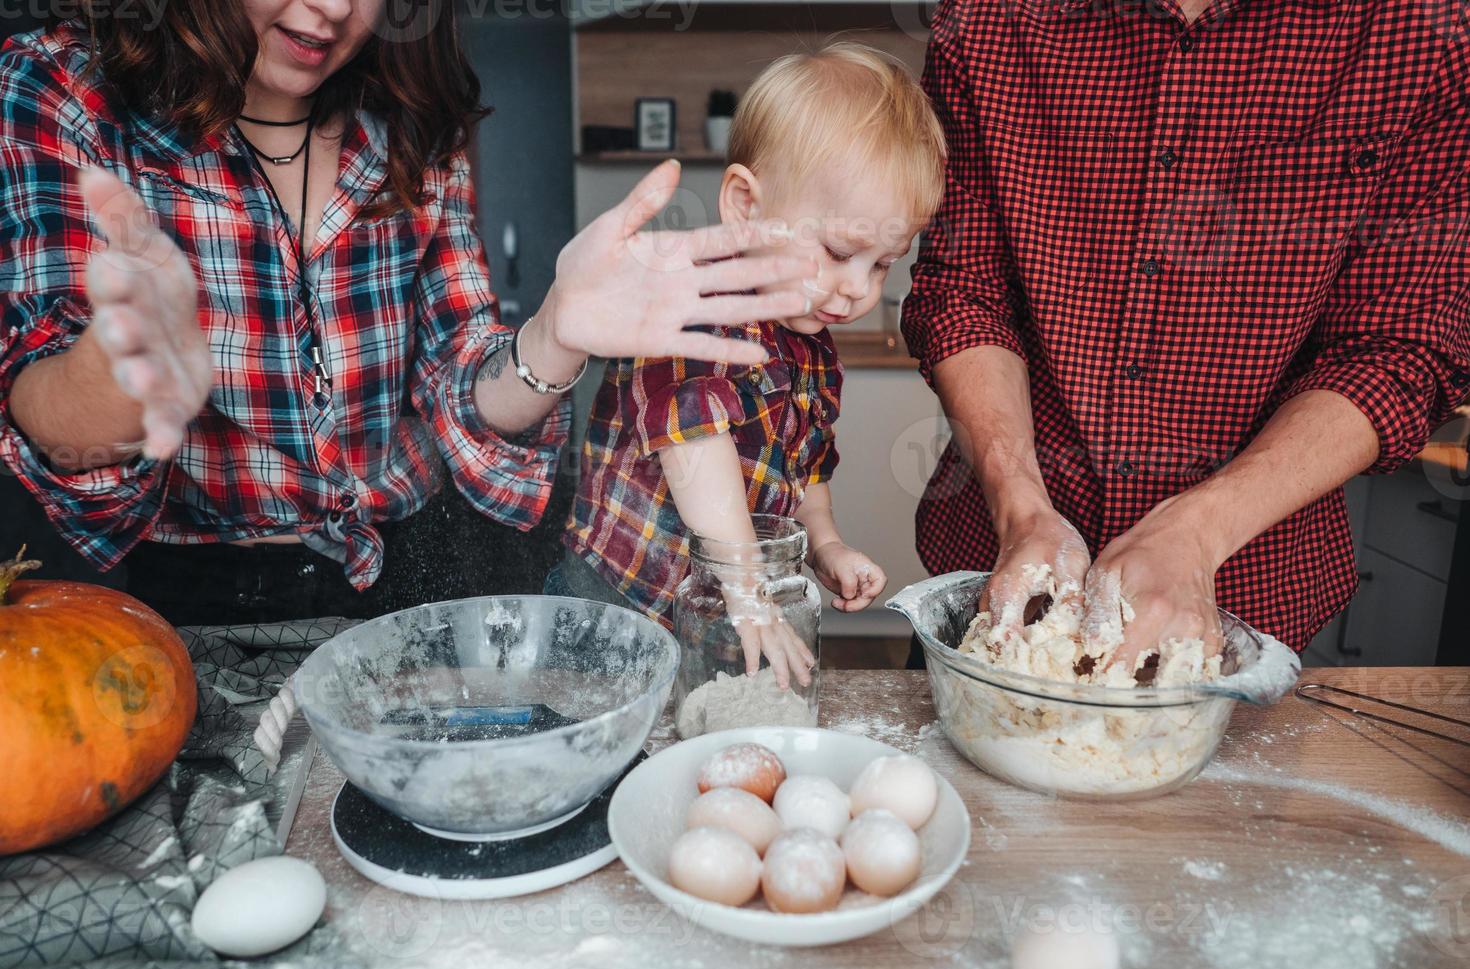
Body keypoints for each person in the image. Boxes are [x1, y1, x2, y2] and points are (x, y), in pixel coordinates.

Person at [0, 2, 819, 626]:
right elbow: (52, 433)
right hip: (192, 604)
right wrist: (121, 368)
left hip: (422, 567)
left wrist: (555, 335)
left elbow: (468, 388)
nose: (330, 11)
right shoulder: (67, 88)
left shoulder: (410, 118)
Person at [902, 0, 1470, 669]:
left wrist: (1199, 535)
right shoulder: (991, 14)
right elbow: (963, 290)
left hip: (1250, 606)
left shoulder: (1424, 28)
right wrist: (1022, 509)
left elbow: (1398, 349)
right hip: (1001, 591)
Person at [549, 43, 946, 687]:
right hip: (618, 597)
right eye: (840, 250)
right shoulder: (691, 307)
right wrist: (747, 588)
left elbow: (803, 468)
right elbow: (693, 446)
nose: (858, 289)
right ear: (746, 204)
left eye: (881, 264)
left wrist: (827, 545)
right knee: (606, 738)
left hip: (720, 604)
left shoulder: (810, 341)